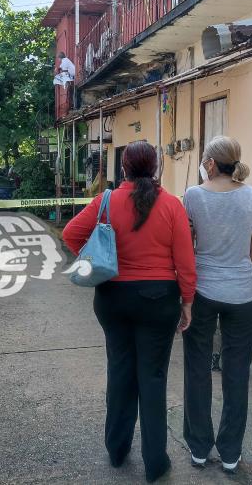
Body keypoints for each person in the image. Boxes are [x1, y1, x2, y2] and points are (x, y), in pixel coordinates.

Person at [62, 141, 196, 483]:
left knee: (120, 373)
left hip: (113, 298)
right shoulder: (171, 205)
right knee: (152, 379)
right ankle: (155, 463)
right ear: (155, 168)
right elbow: (185, 260)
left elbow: (70, 234)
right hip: (159, 300)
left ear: (123, 169)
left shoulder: (106, 201)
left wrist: (95, 259)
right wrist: (187, 301)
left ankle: (117, 451)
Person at [182, 135, 252, 474]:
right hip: (243, 294)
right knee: (236, 374)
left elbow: (188, 248)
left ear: (211, 164)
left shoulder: (193, 195)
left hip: (203, 291)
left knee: (197, 368)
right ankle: (230, 452)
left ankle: (199, 448)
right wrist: (234, 266)